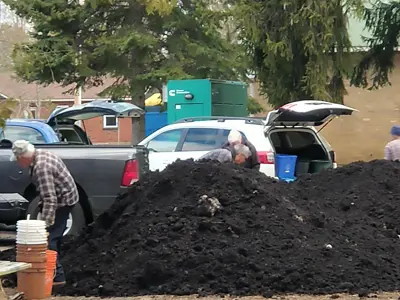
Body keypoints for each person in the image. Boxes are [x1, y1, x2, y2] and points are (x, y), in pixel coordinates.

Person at [10, 140, 78, 286]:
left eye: (17, 159)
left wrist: (45, 225)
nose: (17, 162)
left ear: (23, 157)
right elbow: (47, 193)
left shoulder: (41, 167)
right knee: (54, 236)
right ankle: (54, 266)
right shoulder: (39, 155)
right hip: (64, 196)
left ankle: (57, 277)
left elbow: (50, 199)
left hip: (63, 201)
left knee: (48, 239)